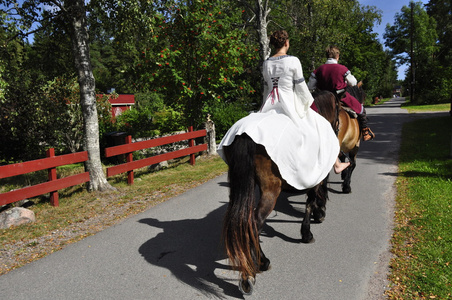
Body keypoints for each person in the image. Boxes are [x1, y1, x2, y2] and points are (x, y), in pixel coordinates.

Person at [217, 30, 349, 190]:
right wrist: (308, 104)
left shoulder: (266, 63)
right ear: (287, 43)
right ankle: (333, 165)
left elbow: (267, 90)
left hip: (270, 103)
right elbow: (301, 88)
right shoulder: (293, 61)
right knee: (321, 127)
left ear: (273, 44)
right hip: (289, 103)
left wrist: (262, 109)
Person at [308, 45, 375, 141]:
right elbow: (353, 82)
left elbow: (310, 86)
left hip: (322, 100)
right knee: (361, 110)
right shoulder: (342, 69)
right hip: (340, 97)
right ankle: (365, 131)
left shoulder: (318, 70)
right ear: (337, 56)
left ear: (327, 56)